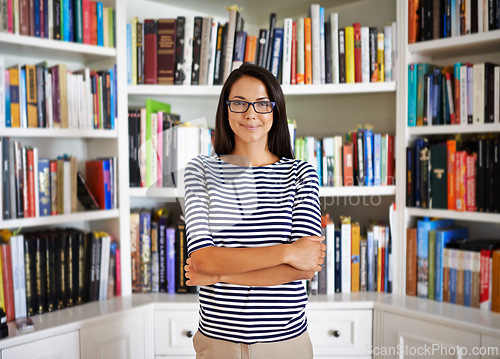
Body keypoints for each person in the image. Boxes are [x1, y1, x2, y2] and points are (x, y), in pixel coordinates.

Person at [183, 63, 325, 359]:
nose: (250, 113)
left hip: (286, 344)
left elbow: (306, 266)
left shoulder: (300, 174)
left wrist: (220, 276)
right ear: (226, 110)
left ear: (276, 111)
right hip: (217, 343)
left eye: (262, 104)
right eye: (239, 103)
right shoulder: (201, 171)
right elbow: (202, 259)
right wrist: (287, 252)